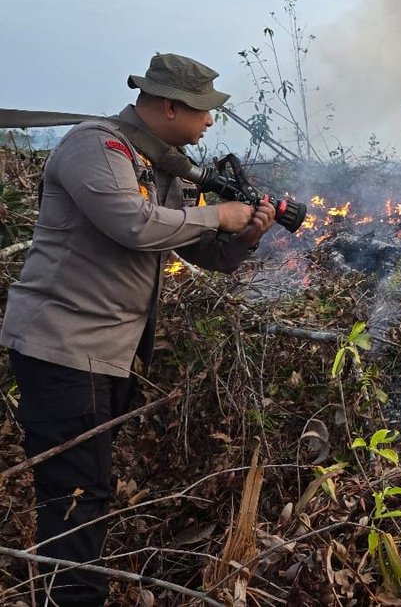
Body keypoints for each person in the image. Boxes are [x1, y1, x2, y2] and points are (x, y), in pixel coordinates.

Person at [1, 52, 275, 606]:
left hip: (106, 355)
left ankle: (58, 589)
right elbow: (134, 224)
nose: (210, 123)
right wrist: (216, 214)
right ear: (171, 106)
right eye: (203, 112)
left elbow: (198, 249)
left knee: (85, 489)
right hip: (63, 349)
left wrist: (242, 236)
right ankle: (69, 597)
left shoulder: (157, 164)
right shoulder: (96, 147)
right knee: (78, 494)